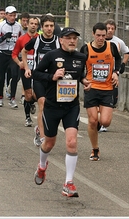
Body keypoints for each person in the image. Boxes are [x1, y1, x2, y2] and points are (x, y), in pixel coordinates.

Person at [32, 27, 90, 197]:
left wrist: (85, 82)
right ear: (61, 40)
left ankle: (68, 183)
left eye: (75, 38)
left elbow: (79, 76)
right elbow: (35, 74)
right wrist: (52, 76)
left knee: (71, 142)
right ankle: (42, 166)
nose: (72, 41)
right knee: (49, 143)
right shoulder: (51, 56)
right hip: (52, 107)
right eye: (69, 38)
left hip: (71, 106)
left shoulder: (81, 57)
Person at [80, 22, 121, 161]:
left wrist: (116, 72)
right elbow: (80, 68)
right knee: (92, 121)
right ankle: (95, 149)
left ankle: (98, 123)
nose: (101, 38)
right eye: (98, 35)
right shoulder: (86, 49)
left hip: (108, 89)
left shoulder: (112, 47)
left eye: (103, 35)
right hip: (91, 88)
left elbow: (119, 59)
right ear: (93, 34)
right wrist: (82, 80)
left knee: (105, 121)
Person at [22, 14, 61, 147]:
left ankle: (40, 129)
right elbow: (24, 52)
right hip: (39, 78)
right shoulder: (36, 41)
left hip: (53, 79)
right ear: (41, 27)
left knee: (52, 108)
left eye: (51, 26)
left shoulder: (58, 41)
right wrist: (27, 68)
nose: (49, 29)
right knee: (42, 103)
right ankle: (43, 137)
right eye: (46, 26)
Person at [99, 19, 129, 132]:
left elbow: (127, 52)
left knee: (111, 98)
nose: (110, 31)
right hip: (99, 73)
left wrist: (122, 65)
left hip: (113, 74)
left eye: (112, 29)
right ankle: (99, 119)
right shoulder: (98, 41)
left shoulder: (118, 42)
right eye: (108, 28)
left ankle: (104, 122)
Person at [0, 5, 24, 108]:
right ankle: (0, 98)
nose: (12, 17)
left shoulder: (18, 26)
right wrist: (4, 37)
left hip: (13, 54)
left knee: (15, 76)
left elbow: (21, 39)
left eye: (14, 15)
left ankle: (13, 98)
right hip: (3, 53)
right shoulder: (1, 26)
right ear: (6, 15)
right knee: (1, 77)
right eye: (10, 15)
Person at [12, 16, 39, 127]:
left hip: (38, 70)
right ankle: (28, 117)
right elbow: (14, 54)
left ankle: (32, 102)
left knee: (37, 95)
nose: (33, 25)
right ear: (27, 24)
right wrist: (19, 63)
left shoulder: (40, 38)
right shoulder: (21, 39)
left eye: (35, 24)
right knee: (28, 95)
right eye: (31, 23)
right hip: (25, 70)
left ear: (38, 26)